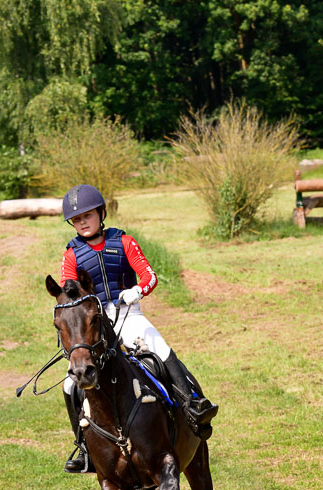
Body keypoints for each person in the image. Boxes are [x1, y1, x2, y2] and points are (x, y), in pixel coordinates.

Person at [59, 184, 218, 473]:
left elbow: (149, 275)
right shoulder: (71, 254)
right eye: (77, 218)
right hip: (93, 322)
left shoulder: (124, 242)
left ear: (101, 213)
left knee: (158, 347)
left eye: (87, 215)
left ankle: (194, 406)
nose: (82, 222)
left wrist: (137, 291)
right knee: (70, 384)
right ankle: (84, 448)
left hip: (127, 313)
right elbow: (69, 296)